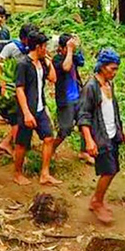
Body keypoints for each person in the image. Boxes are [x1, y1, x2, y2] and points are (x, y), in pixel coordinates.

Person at [79, 49, 125, 224]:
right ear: (102, 66)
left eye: (116, 69)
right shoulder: (91, 87)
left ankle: (98, 199)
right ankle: (96, 201)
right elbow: (83, 115)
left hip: (112, 134)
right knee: (108, 170)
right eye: (112, 69)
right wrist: (89, 140)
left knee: (113, 169)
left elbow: (113, 109)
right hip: (99, 135)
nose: (114, 73)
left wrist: (121, 130)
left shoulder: (109, 85)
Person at [13, 30, 57, 185]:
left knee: (48, 138)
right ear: (38, 47)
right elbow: (19, 89)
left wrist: (48, 61)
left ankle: (45, 173)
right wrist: (26, 113)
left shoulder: (42, 62)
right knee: (22, 143)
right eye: (44, 46)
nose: (46, 49)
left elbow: (53, 78)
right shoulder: (23, 64)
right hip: (28, 110)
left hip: (40, 108)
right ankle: (17, 173)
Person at [0, 23, 37, 157]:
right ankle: (6, 144)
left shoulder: (31, 50)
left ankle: (14, 144)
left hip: (22, 90)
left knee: (20, 120)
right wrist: (2, 83)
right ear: (24, 38)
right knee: (17, 120)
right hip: (9, 90)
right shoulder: (12, 47)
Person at [52, 34, 91, 164]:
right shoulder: (57, 59)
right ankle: (51, 149)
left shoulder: (73, 57)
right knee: (65, 129)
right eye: (68, 47)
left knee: (85, 123)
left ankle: (83, 152)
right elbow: (66, 67)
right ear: (61, 48)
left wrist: (76, 47)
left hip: (78, 97)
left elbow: (81, 61)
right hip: (66, 100)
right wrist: (69, 50)